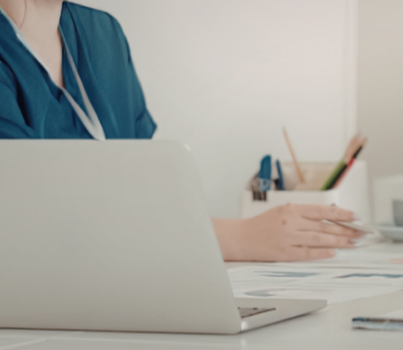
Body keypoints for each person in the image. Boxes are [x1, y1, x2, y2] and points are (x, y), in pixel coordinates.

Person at [0, 0, 359, 262]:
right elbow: (32, 223)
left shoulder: (103, 34)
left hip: (130, 283)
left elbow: (149, 188)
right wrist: (233, 238)